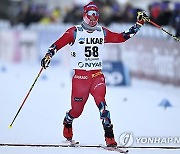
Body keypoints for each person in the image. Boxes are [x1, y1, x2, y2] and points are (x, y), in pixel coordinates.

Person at [41, 2, 148, 147]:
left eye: (96, 15)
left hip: (97, 75)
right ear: (84, 15)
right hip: (80, 78)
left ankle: (109, 137)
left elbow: (121, 37)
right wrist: (48, 55)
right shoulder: (74, 31)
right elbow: (57, 45)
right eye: (90, 14)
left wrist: (138, 24)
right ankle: (68, 120)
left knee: (102, 104)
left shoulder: (101, 31)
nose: (93, 18)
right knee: (77, 111)